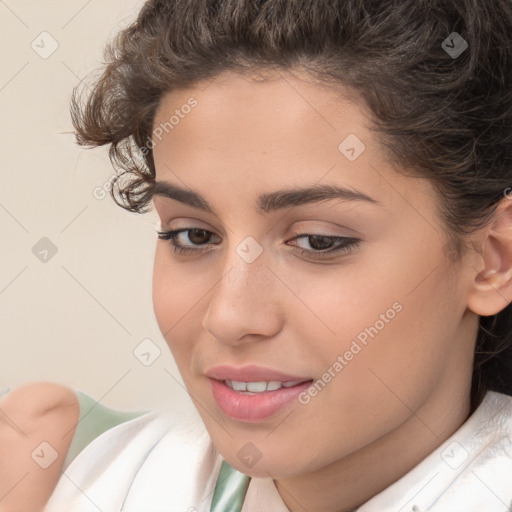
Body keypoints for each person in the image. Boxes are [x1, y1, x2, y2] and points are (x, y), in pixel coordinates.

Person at [44, 0, 512, 510]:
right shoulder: (103, 482)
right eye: (193, 236)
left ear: (493, 259)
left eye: (318, 241)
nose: (229, 317)